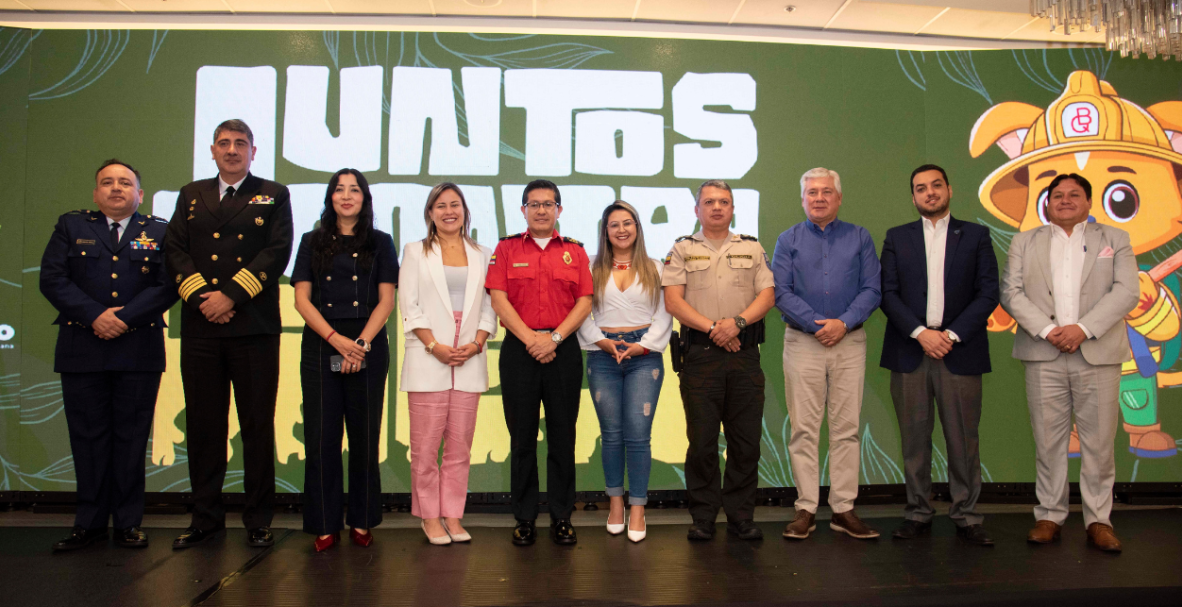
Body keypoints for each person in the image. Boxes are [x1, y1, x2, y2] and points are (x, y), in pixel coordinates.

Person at [166, 119, 293, 549]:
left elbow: (276, 253)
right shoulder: (191, 194)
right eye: (225, 143)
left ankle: (258, 519)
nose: (233, 150)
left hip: (254, 328)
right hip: (202, 326)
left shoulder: (274, 194)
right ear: (213, 150)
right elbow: (175, 250)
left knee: (256, 425)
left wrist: (232, 296)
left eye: (241, 143)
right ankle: (205, 518)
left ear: (253, 152)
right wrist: (205, 297)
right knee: (204, 426)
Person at [40, 159, 178, 551]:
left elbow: (169, 286)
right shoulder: (72, 226)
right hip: (82, 347)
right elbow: (51, 278)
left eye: (124, 183)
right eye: (107, 182)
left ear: (140, 193)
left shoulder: (161, 231)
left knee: (132, 439)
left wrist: (125, 318)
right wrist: (96, 316)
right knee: (87, 438)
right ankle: (89, 523)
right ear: (95, 192)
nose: (116, 188)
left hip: (138, 348)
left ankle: (129, 523)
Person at [999, 173, 1138, 553]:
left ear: (1089, 202)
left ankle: (1098, 521)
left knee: (1098, 444)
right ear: (1046, 203)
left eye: (1074, 194)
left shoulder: (1114, 239)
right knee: (1048, 442)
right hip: (1043, 353)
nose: (1064, 200)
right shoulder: (1024, 241)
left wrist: (1083, 329)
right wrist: (1048, 330)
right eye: (1056, 195)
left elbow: (1127, 291)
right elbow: (1011, 292)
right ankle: (1049, 515)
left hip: (1097, 353)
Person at [878, 164, 999, 546]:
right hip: (910, 351)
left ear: (949, 189)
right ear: (912, 196)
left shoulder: (976, 235)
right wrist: (920, 334)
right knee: (914, 440)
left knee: (963, 440)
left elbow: (988, 293)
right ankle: (918, 512)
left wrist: (949, 335)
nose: (929, 193)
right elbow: (888, 293)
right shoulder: (898, 238)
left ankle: (966, 515)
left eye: (935, 186)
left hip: (959, 351)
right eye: (920, 188)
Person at [662, 179, 775, 542]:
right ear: (697, 209)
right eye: (709, 202)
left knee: (746, 442)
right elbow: (673, 303)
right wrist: (716, 329)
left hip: (744, 355)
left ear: (732, 208)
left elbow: (768, 295)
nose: (716, 207)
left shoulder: (752, 248)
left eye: (723, 202)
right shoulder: (681, 249)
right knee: (702, 441)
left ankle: (742, 515)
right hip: (701, 356)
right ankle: (704, 516)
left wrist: (737, 324)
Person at [772, 167, 882, 541]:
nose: (819, 198)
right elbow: (781, 293)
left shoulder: (860, 237)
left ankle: (843, 509)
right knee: (804, 428)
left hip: (849, 341)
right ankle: (805, 507)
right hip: (803, 341)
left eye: (826, 191)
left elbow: (872, 289)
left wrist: (843, 323)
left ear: (838, 197)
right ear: (802, 199)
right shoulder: (787, 240)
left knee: (846, 429)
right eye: (812, 192)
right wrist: (818, 324)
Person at [291, 169, 397, 552]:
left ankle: (363, 520)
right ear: (330, 197)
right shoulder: (311, 241)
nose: (347, 196)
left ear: (365, 198)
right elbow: (301, 299)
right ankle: (324, 523)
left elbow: (386, 299)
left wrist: (361, 343)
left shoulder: (381, 242)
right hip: (322, 343)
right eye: (340, 190)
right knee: (321, 439)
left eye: (355, 190)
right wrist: (337, 341)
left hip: (367, 343)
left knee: (365, 438)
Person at [486, 179, 593, 546]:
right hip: (520, 350)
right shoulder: (506, 247)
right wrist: (532, 339)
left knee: (563, 437)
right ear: (523, 210)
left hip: (562, 350)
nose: (542, 210)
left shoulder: (575, 252)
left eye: (549, 204)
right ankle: (525, 517)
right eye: (534, 204)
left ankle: (562, 517)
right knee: (522, 439)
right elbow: (498, 299)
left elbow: (584, 302)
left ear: (559, 210)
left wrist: (554, 339)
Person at [399, 183, 497, 546]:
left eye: (455, 204)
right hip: (429, 359)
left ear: (465, 211)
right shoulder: (414, 252)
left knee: (460, 447)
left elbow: (490, 307)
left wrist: (476, 344)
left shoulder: (483, 253)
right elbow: (409, 306)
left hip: (469, 359)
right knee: (425, 448)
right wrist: (434, 346)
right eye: (440, 206)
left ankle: (453, 514)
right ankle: (429, 516)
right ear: (430, 213)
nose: (448, 211)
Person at [576, 201, 673, 544]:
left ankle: (637, 507)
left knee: (638, 434)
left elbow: (666, 313)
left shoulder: (656, 267)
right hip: (602, 353)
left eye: (627, 223)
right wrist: (601, 341)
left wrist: (643, 345)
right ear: (605, 231)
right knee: (612, 434)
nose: (621, 230)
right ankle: (615, 502)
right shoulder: (589, 267)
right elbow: (581, 313)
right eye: (614, 224)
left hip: (644, 355)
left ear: (637, 228)